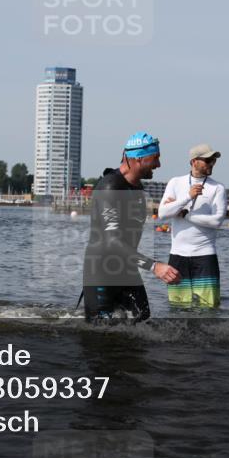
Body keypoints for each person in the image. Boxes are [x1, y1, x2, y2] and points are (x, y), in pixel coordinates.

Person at [81, 132, 180, 323]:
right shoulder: (110, 187)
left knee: (142, 318)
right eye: (155, 158)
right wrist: (154, 266)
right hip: (102, 271)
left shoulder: (137, 189)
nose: (159, 164)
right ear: (139, 158)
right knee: (99, 331)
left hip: (126, 267)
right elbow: (111, 241)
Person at [158, 143, 227, 309]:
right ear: (194, 161)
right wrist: (187, 197)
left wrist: (185, 214)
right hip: (177, 256)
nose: (212, 164)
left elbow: (217, 221)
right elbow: (162, 213)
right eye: (208, 160)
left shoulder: (218, 188)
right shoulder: (175, 183)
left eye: (213, 161)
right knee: (177, 309)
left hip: (205, 256)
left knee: (209, 309)